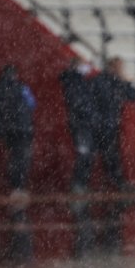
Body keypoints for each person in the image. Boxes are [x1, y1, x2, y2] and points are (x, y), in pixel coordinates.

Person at [0, 65, 37, 194]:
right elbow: (32, 104)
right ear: (15, 75)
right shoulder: (22, 88)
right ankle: (18, 186)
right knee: (20, 158)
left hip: (2, 128)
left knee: (3, 155)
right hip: (22, 128)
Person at [90, 56, 135, 192]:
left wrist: (126, 82)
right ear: (111, 67)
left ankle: (114, 183)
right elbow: (101, 101)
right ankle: (106, 184)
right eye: (118, 67)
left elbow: (134, 95)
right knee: (103, 155)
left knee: (111, 155)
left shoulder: (117, 82)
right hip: (101, 125)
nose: (120, 70)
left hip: (111, 124)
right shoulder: (100, 81)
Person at [59, 57, 99, 194]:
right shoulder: (73, 80)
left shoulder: (80, 81)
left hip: (86, 123)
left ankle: (82, 183)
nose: (87, 67)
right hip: (80, 123)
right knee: (84, 154)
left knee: (89, 154)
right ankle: (78, 184)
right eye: (83, 65)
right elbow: (77, 102)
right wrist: (89, 112)